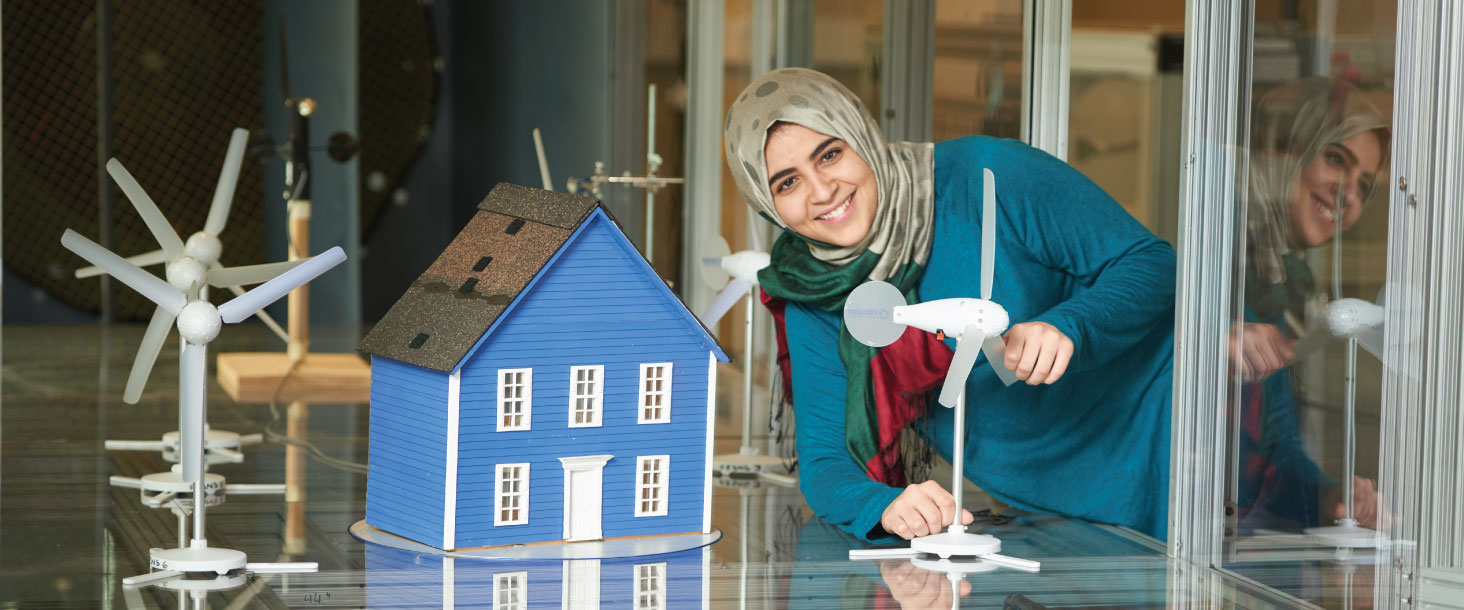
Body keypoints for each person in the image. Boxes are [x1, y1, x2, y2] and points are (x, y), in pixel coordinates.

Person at [722, 68, 1176, 542]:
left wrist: (1070, 326)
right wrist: (887, 503)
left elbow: (1151, 261)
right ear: (765, 202)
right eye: (787, 183)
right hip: (1050, 513)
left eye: (830, 154)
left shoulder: (985, 176)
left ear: (862, 134)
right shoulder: (811, 288)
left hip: (1167, 443)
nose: (822, 191)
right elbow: (825, 462)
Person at [1230, 76, 1388, 532]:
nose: (1349, 194)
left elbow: (1275, 451)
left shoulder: (1283, 280)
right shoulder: (1215, 244)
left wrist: (1331, 498)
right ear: (1287, 146)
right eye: (1336, 159)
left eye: (1364, 184)